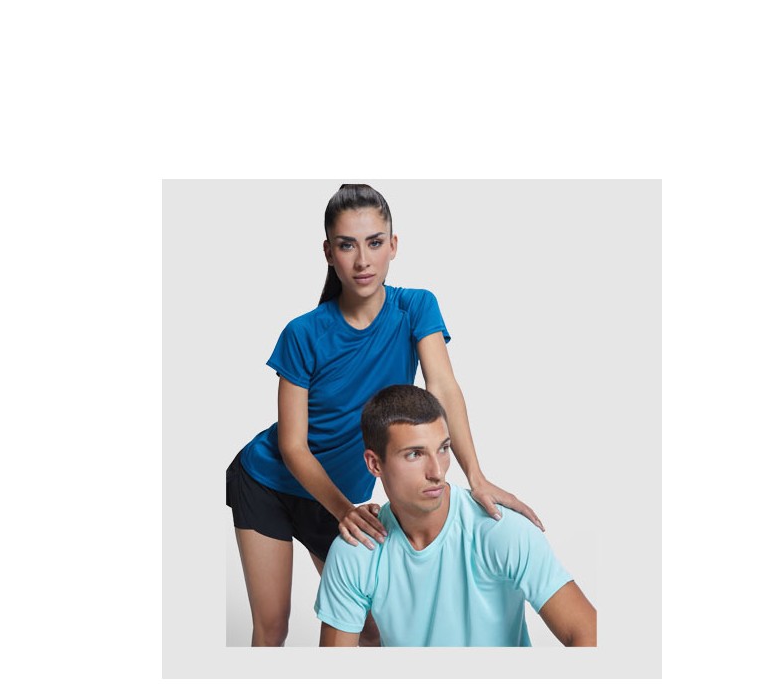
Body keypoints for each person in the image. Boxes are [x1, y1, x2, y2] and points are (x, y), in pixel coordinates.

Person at [227, 184, 542, 647]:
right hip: (269, 483)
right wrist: (343, 511)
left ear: (393, 245)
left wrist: (476, 476)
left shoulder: (415, 307)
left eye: (374, 242)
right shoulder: (302, 333)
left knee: (373, 632)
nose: (362, 260)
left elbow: (442, 388)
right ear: (328, 252)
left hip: (339, 494)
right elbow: (292, 446)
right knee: (272, 627)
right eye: (347, 245)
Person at [315, 385, 597, 647]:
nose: (437, 472)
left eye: (443, 448)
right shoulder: (356, 552)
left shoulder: (501, 530)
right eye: (415, 454)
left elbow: (588, 634)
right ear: (375, 463)